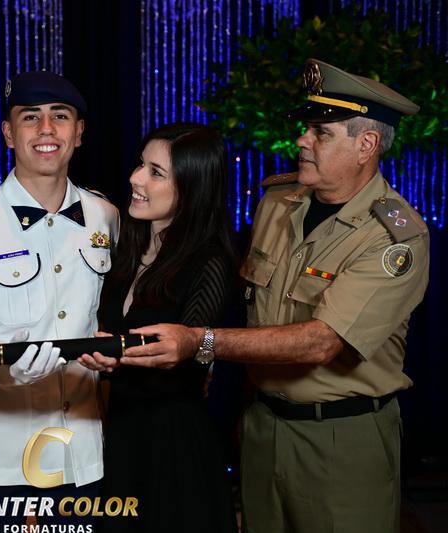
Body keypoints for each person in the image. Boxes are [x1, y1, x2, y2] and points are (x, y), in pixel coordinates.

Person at [120, 59, 429, 533]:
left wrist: (199, 342)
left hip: (341, 438)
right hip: (262, 427)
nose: (302, 140)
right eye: (306, 128)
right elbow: (258, 314)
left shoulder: (394, 238)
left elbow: (321, 342)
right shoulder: (277, 203)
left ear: (366, 145)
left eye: (320, 133)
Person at [0, 71, 119, 531]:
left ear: (79, 133)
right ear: (8, 134)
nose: (46, 129)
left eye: (60, 117)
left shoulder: (106, 216)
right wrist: (8, 369)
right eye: (30, 117)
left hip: (82, 457)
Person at [77, 123, 239, 532]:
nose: (136, 178)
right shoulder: (128, 245)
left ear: (191, 188)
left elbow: (194, 358)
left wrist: (118, 357)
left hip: (173, 445)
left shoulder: (209, 262)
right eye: (140, 165)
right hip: (120, 434)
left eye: (156, 172)